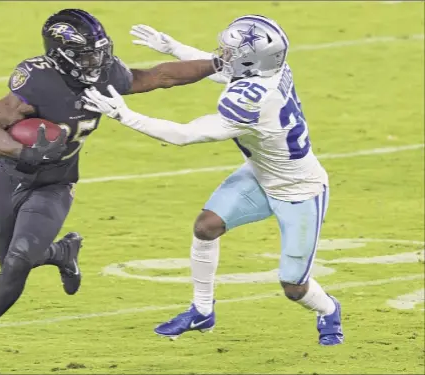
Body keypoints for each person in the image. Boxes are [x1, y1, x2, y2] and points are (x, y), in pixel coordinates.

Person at [0, 8, 221, 366]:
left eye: (99, 53)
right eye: (86, 55)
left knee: (18, 262)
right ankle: (62, 253)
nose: (95, 62)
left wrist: (217, 64)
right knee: (11, 259)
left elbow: (160, 76)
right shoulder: (37, 81)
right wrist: (26, 152)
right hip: (12, 178)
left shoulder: (105, 74)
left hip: (55, 184)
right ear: (60, 54)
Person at [82, 15, 344, 346]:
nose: (223, 53)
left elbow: (184, 134)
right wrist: (173, 46)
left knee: (294, 287)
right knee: (206, 227)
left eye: (232, 51)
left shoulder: (254, 101)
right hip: (262, 175)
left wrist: (125, 115)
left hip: (299, 191)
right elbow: (224, 68)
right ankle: (202, 310)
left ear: (252, 60)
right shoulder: (270, 72)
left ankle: (329, 308)